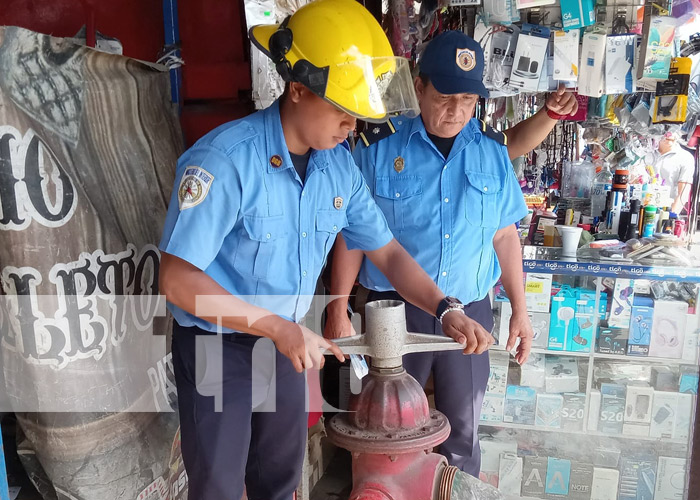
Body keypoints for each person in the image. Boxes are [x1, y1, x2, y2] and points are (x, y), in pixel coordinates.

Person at [158, 4, 495, 500]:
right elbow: (177, 279)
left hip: (285, 344)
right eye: (342, 110)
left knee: (278, 477)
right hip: (219, 346)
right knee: (219, 485)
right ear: (296, 88)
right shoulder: (226, 161)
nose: (350, 125)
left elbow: (389, 253)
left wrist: (445, 308)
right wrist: (274, 326)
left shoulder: (338, 168)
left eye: (357, 112)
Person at [324, 30, 578, 477]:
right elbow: (352, 235)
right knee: (385, 430)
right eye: (444, 96)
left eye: (467, 99)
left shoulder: (492, 154)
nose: (456, 110)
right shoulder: (378, 149)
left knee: (463, 430)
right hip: (393, 314)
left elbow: (504, 237)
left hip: (472, 311)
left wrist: (520, 310)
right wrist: (340, 307)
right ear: (419, 88)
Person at [653, 130, 695, 214]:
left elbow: (683, 193)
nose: (670, 134)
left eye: (674, 130)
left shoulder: (685, 157)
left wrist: (670, 217)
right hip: (642, 209)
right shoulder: (643, 152)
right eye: (666, 129)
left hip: (666, 212)